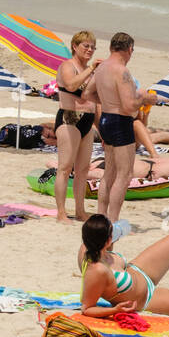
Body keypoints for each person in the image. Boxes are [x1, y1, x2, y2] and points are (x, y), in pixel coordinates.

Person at [77, 215, 169, 319]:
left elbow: (101, 234)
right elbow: (87, 308)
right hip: (147, 298)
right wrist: (114, 310)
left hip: (140, 270)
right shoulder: (97, 271)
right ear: (107, 240)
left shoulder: (90, 244)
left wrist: (118, 230)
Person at [91, 32, 158, 223]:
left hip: (106, 119)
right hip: (120, 123)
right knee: (124, 174)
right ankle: (112, 221)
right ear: (129, 49)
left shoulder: (102, 68)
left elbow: (88, 94)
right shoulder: (122, 71)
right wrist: (145, 98)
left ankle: (101, 216)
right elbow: (129, 106)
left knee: (109, 173)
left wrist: (108, 101)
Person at [53, 31, 100, 224]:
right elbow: (72, 86)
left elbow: (95, 101)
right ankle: (61, 213)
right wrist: (91, 70)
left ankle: (80, 211)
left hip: (87, 121)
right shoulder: (67, 66)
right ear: (74, 46)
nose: (89, 50)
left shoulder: (90, 71)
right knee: (65, 168)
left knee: (83, 170)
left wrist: (101, 129)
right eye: (86, 46)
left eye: (92, 47)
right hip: (68, 117)